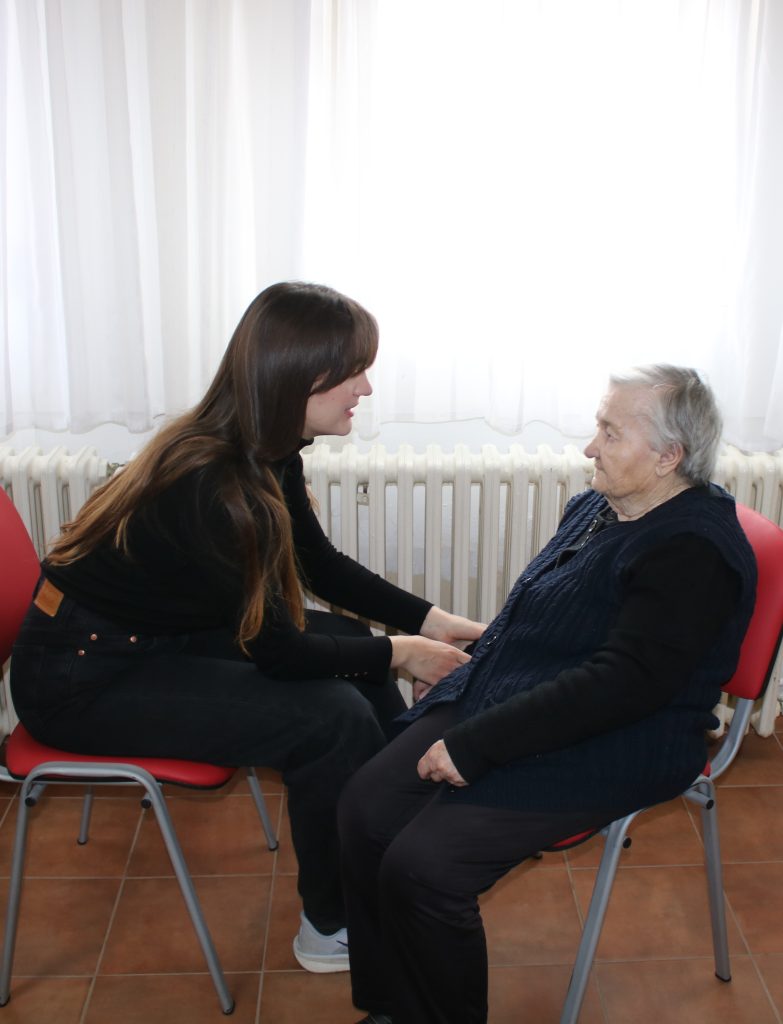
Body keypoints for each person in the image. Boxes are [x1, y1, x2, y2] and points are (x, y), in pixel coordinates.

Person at [9, 281, 485, 975]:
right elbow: (279, 652)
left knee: (356, 649)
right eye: (353, 372)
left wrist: (431, 623)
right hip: (81, 678)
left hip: (144, 640)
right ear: (299, 377)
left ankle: (393, 838)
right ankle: (332, 923)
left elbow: (317, 563)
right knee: (330, 717)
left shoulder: (265, 447)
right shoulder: (215, 482)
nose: (366, 388)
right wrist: (401, 654)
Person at [338, 365, 758, 1024]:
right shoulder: (602, 505)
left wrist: (477, 743)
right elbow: (546, 615)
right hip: (526, 697)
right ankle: (395, 1006)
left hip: (624, 739)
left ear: (667, 457)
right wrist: (468, 664)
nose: (591, 447)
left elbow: (623, 685)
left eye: (610, 433)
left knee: (423, 866)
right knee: (365, 808)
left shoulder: (691, 553)